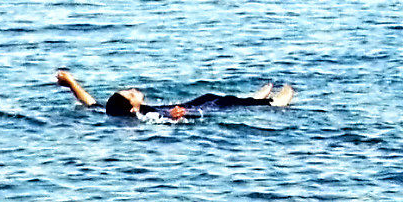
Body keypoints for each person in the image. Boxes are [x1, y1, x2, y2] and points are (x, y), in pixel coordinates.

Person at [56, 70, 294, 121]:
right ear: (132, 107)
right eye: (131, 94)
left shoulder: (110, 110)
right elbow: (164, 120)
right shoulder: (142, 116)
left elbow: (89, 102)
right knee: (221, 103)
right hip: (190, 111)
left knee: (211, 94)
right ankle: (273, 103)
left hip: (187, 104)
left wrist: (70, 83)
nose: (134, 91)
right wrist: (172, 117)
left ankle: (254, 98)